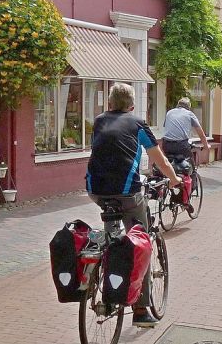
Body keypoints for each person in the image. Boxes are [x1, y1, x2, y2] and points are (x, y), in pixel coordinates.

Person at [86, 83, 181, 329]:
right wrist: (174, 180)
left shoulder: (98, 121)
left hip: (95, 191)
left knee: (112, 236)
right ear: (132, 106)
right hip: (128, 193)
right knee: (142, 242)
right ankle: (141, 309)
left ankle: (106, 266)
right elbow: (158, 157)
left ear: (109, 104)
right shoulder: (138, 124)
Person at [161, 97, 210, 173]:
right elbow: (201, 133)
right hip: (181, 145)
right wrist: (206, 146)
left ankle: (170, 180)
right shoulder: (189, 114)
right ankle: (193, 183)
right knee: (189, 165)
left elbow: (167, 127)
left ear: (178, 105)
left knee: (169, 165)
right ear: (189, 107)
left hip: (166, 144)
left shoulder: (169, 112)